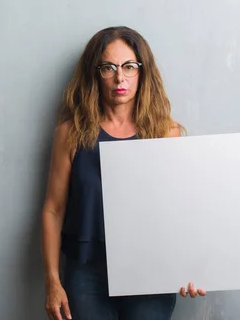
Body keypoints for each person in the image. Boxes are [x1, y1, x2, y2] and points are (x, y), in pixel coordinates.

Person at [40, 26, 206, 320]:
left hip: (151, 271)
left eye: (129, 66)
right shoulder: (71, 134)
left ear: (143, 72)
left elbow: (180, 211)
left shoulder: (164, 133)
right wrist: (53, 281)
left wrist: (190, 267)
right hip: (86, 273)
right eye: (109, 67)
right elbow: (53, 209)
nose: (120, 77)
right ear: (95, 73)